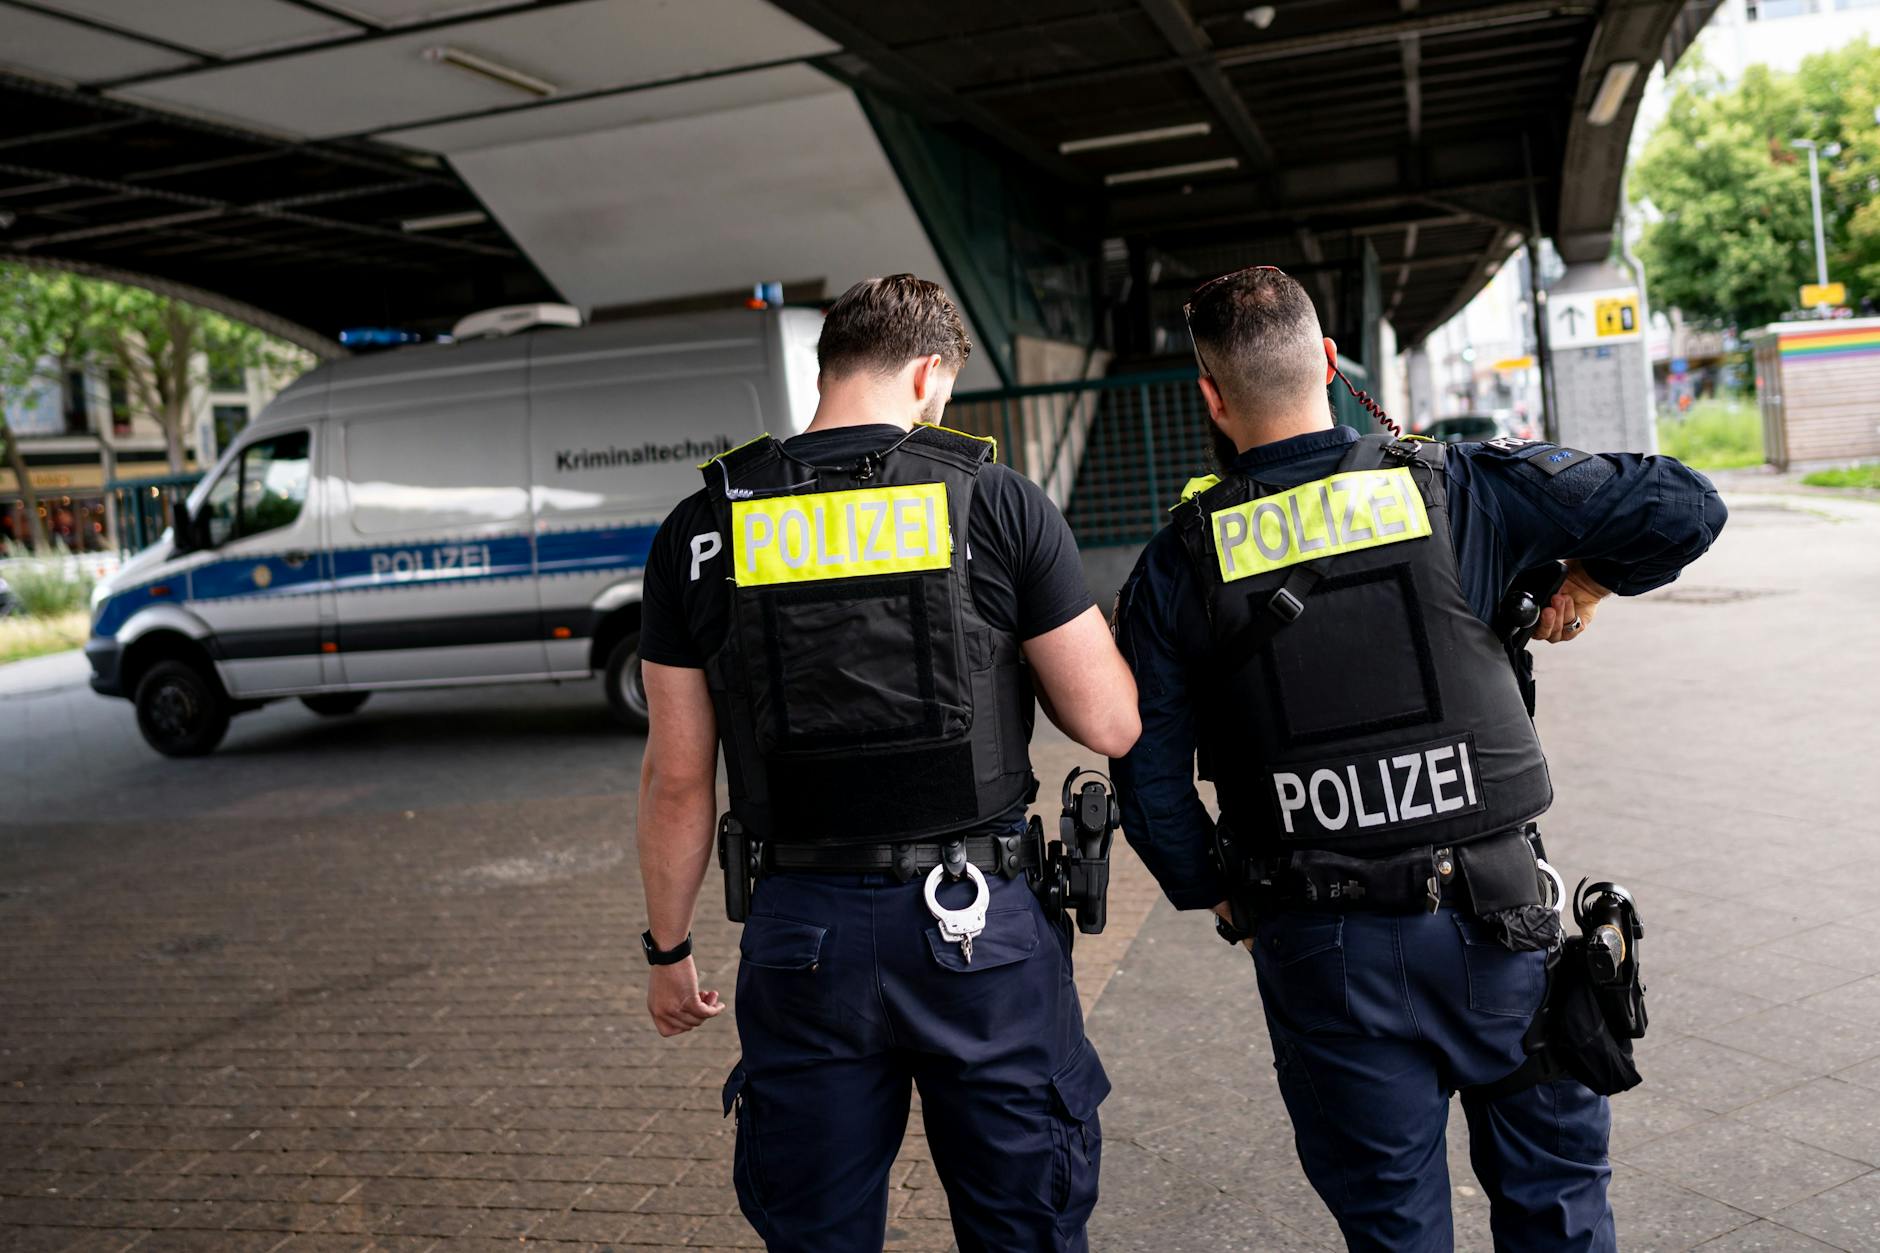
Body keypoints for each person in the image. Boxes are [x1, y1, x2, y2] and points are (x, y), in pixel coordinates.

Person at [1109, 266, 1727, 1252]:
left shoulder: (1177, 563)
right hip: (1501, 924)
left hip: (1321, 948)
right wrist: (1583, 582)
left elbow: (1144, 776)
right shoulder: (1457, 483)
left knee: (1392, 1229)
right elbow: (1682, 504)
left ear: (1210, 397)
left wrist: (1220, 895)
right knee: (1559, 1213)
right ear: (1328, 361)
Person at [635, 275, 1140, 1252]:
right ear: (925, 375)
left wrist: (668, 951)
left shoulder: (702, 528)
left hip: (800, 936)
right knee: (1023, 1227)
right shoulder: (995, 503)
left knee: (816, 1232)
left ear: (827, 366)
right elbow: (1109, 723)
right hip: (979, 929)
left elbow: (679, 775)